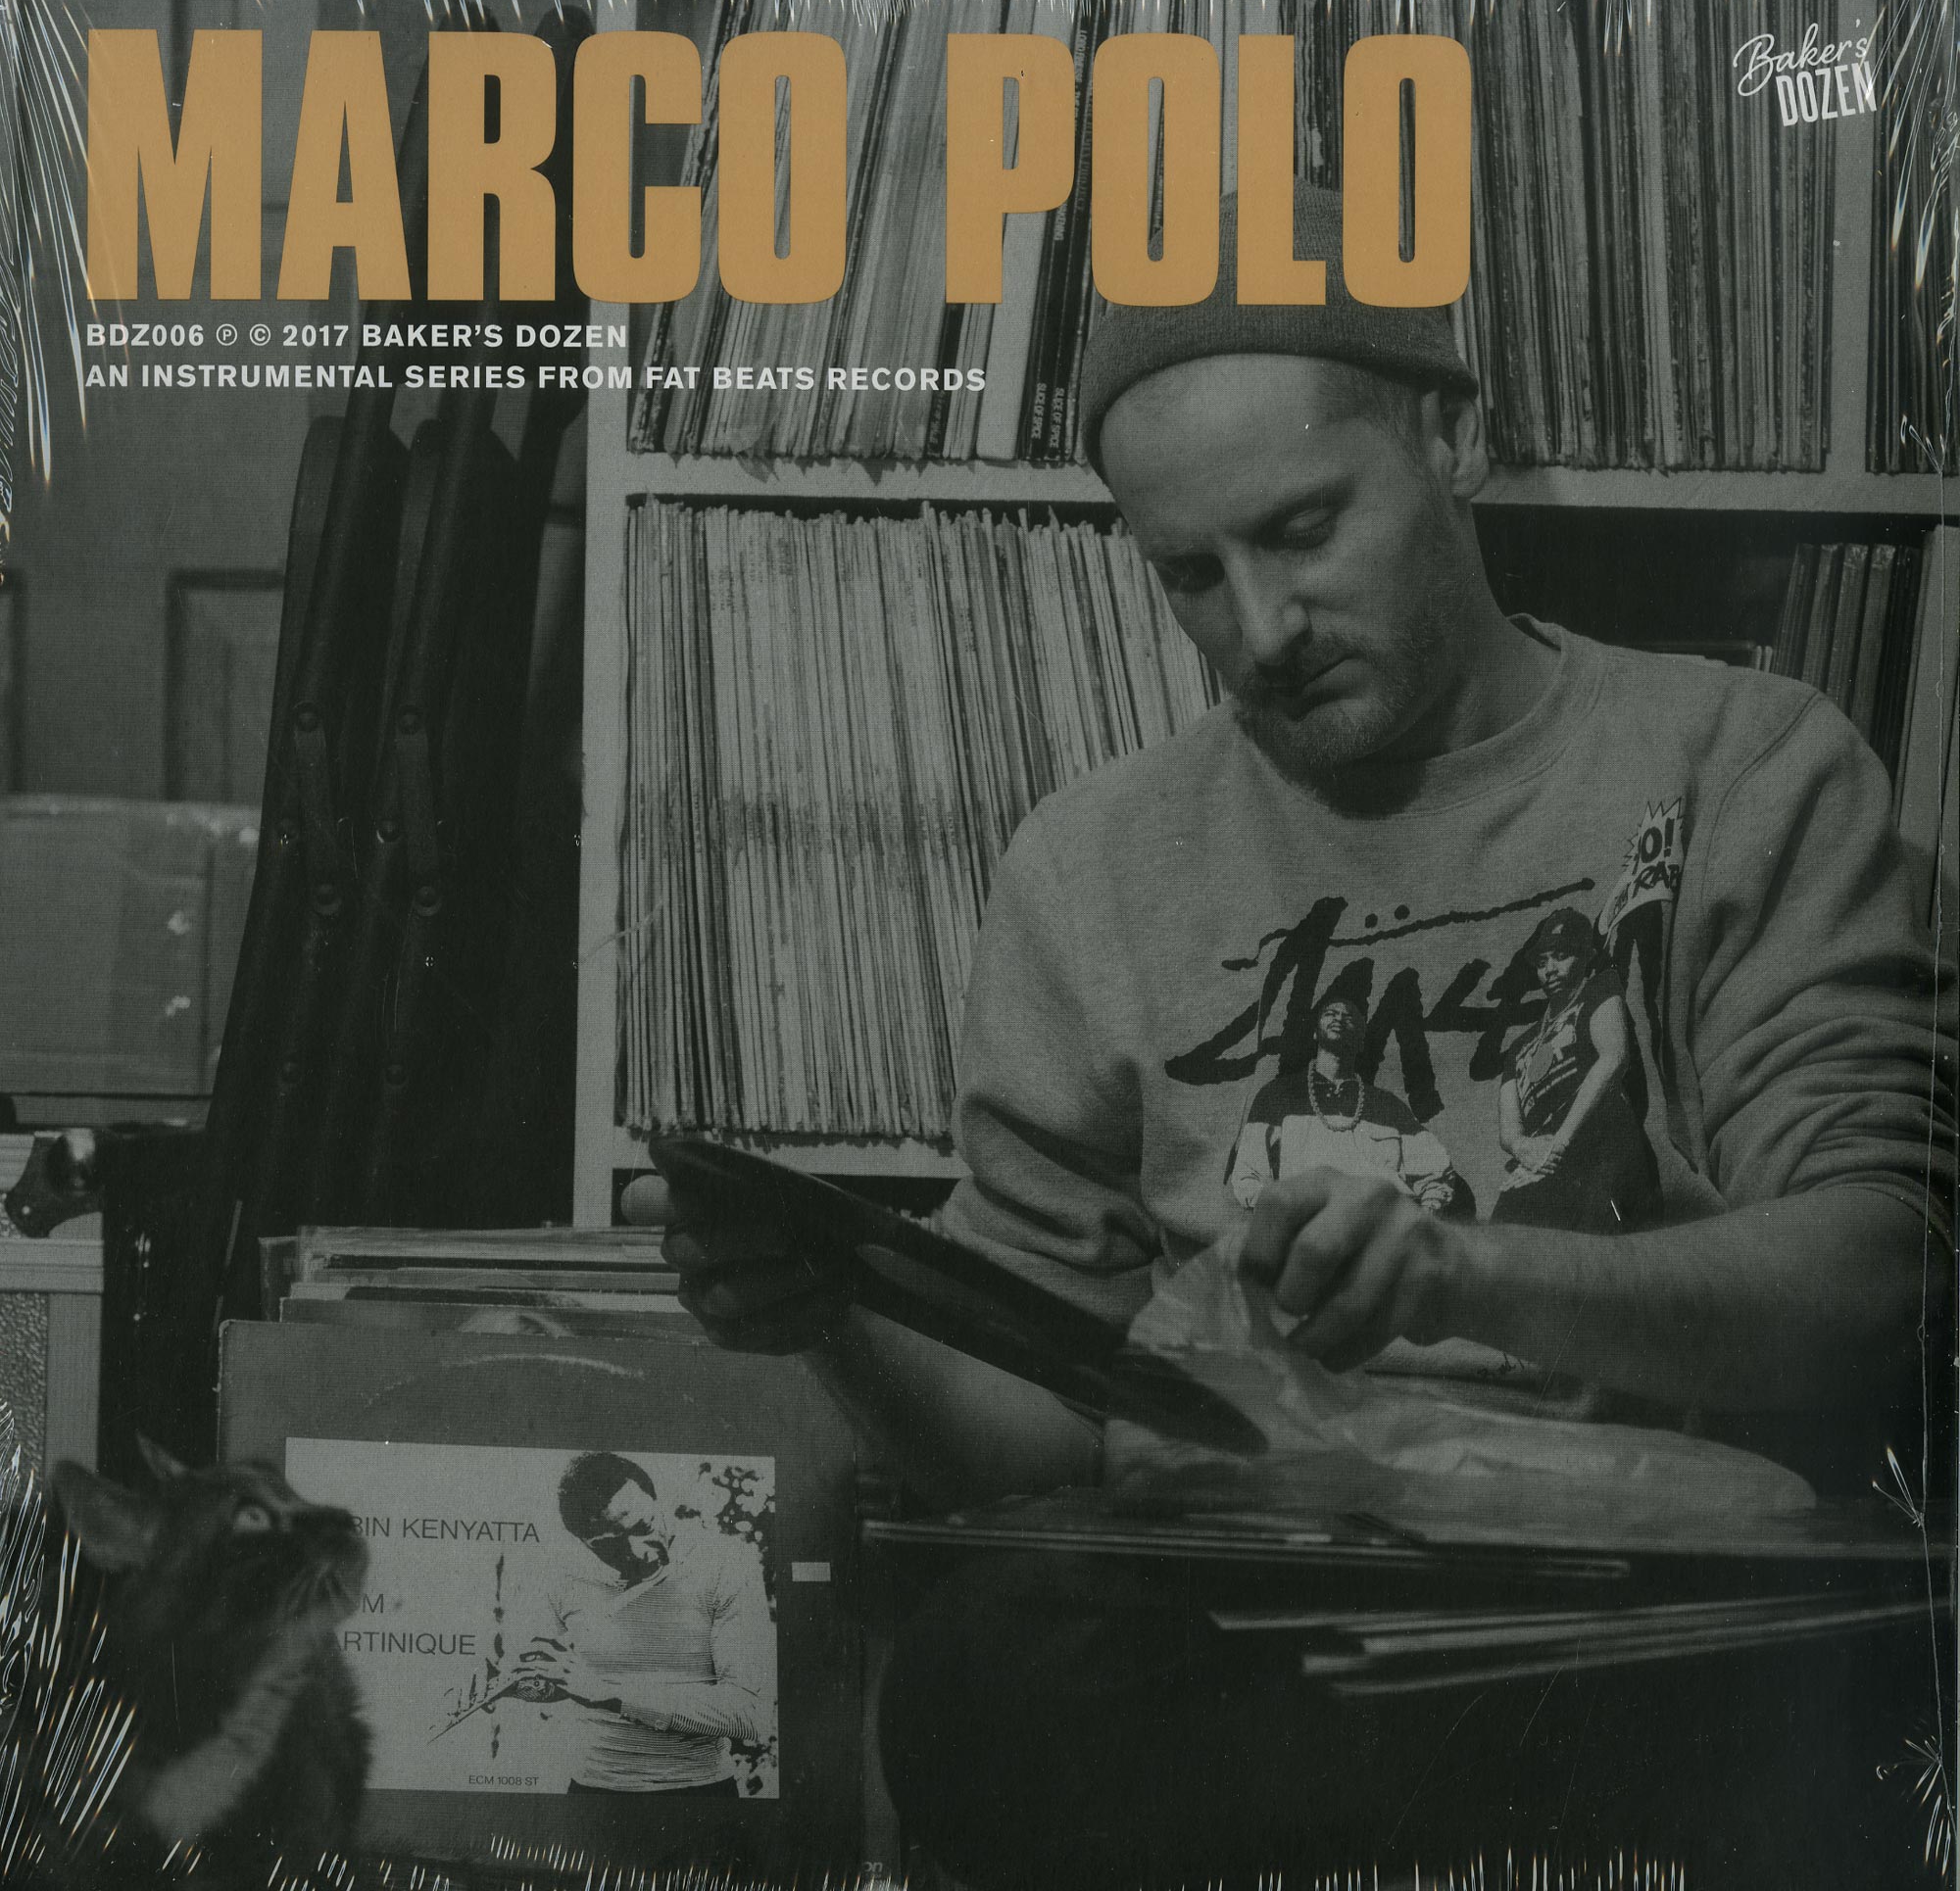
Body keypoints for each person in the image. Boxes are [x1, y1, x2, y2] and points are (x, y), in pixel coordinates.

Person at [664, 185, 1954, 1883]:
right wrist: (836, 1312)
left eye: (1303, 530)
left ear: (1454, 440)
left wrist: (1463, 1275)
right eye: (1191, 576)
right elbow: (1044, 1439)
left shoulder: (1741, 763)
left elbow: (1880, 1279)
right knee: (986, 1684)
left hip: (1655, 1619)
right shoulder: (1090, 865)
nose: (1260, 632)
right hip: (1260, 1629)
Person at [520, 1453, 775, 1796]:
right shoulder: (565, 1581)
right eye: (608, 1546)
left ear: (657, 1501)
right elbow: (559, 1686)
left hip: (699, 1791)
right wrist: (529, 1686)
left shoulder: (725, 1564)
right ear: (583, 1542)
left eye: (644, 1527)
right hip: (592, 1790)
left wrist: (613, 1695)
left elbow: (749, 1712)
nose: (638, 1553)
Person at [1229, 988, 1474, 1216]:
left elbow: (1434, 1169)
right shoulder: (1277, 1097)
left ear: (1361, 1039)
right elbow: (1248, 1177)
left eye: (1349, 1017)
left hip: (1381, 1227)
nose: (1339, 1018)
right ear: (1315, 1032)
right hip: (1311, 1227)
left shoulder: (1387, 1106)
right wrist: (1288, 1216)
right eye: (1330, 1013)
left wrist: (1425, 1213)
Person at [1493, 905, 1661, 1232]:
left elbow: (1613, 1058)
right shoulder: (1519, 1046)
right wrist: (1523, 1148)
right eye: (1542, 963)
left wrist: (1560, 1143)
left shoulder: (1600, 990)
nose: (1550, 970)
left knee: (1597, 1244)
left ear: (1584, 956)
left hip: (1598, 1144)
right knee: (1500, 1241)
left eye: (1561, 957)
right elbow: (1509, 1129)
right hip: (1539, 1161)